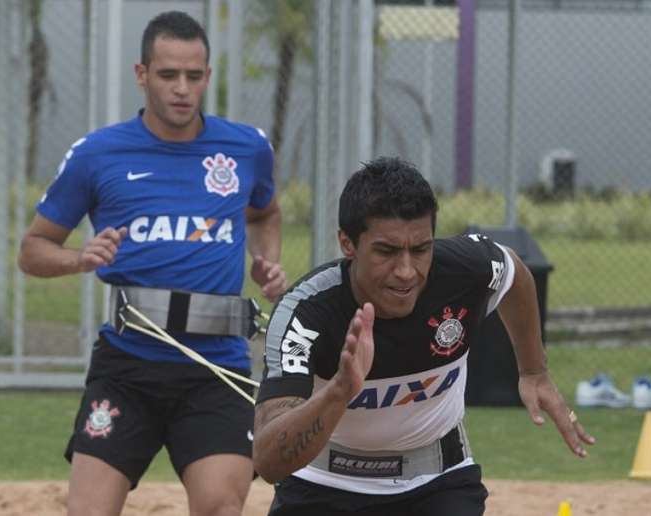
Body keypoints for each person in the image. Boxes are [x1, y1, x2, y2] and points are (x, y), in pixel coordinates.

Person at [18, 11, 286, 516]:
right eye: (167, 75)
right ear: (142, 75)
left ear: (208, 75)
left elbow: (265, 211)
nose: (182, 89)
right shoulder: (97, 154)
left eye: (194, 75)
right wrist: (79, 257)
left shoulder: (246, 148)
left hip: (216, 367)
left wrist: (264, 259)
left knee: (220, 507)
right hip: (127, 366)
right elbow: (32, 250)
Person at [252, 156, 595, 516]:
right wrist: (340, 391)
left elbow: (516, 274)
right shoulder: (305, 314)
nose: (406, 271)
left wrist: (534, 370)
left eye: (421, 250)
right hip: (322, 485)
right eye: (386, 251)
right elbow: (269, 459)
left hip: (437, 482)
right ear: (347, 244)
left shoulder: (465, 268)